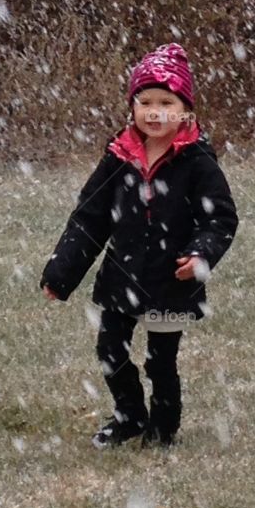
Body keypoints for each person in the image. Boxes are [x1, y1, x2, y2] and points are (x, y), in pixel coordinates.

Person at [40, 42, 239, 449]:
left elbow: (220, 218)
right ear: (132, 107)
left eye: (166, 101)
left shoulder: (198, 161)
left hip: (171, 280)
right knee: (110, 349)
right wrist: (61, 273)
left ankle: (163, 429)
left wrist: (200, 254)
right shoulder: (119, 157)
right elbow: (89, 218)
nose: (154, 111)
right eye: (144, 101)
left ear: (185, 110)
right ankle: (129, 415)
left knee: (160, 361)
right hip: (122, 276)